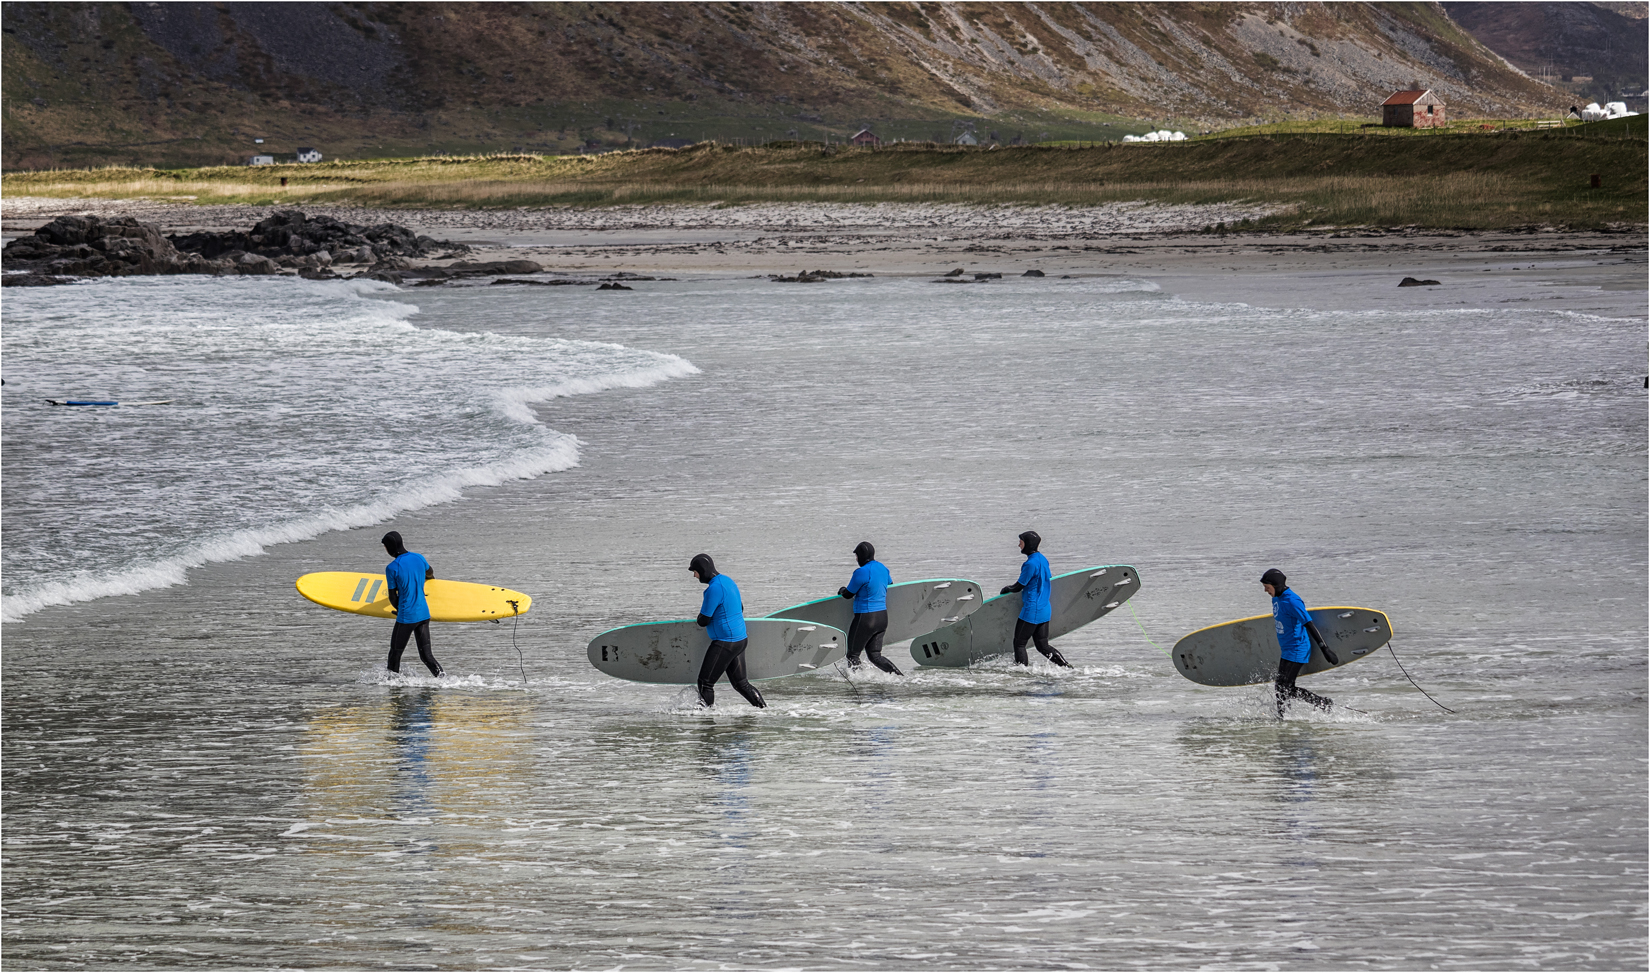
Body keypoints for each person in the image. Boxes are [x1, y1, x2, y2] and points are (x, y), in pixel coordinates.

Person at [690, 553, 765, 709]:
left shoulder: (714, 589)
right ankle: (764, 711)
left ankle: (707, 720)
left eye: (695, 572)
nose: (695, 576)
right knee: (741, 683)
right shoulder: (727, 581)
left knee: (705, 682)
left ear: (702, 570)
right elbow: (741, 607)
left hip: (726, 642)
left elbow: (703, 620)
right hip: (740, 639)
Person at [1262, 568, 1338, 718]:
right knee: (1280, 687)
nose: (1265, 590)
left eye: (1267, 587)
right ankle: (1284, 716)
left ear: (1276, 585)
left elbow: (1309, 623)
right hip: (1287, 649)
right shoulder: (1276, 598)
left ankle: (1322, 703)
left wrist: (1325, 649)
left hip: (1297, 649)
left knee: (1286, 688)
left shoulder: (1292, 601)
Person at [999, 530, 1073, 668]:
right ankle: (1067, 667)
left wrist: (1007, 589)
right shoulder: (1043, 559)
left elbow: (1018, 586)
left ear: (1028, 544)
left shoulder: (1030, 564)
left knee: (1019, 643)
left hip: (1031, 610)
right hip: (1044, 609)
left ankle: (1022, 672)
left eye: (1021, 542)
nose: (1019, 545)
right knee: (1042, 646)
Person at [382, 531, 444, 677]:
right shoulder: (419, 558)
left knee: (394, 655)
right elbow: (430, 574)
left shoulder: (392, 568)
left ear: (390, 547)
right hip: (423, 613)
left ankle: (393, 688)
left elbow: (392, 597)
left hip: (407, 617)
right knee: (426, 656)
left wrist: (399, 610)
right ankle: (443, 679)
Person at [837, 541, 902, 675]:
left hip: (866, 618)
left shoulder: (861, 572)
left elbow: (848, 594)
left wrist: (842, 590)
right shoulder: (883, 568)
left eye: (857, 556)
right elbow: (891, 584)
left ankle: (859, 682)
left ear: (862, 556)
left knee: (852, 655)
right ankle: (899, 677)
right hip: (882, 618)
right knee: (875, 656)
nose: (856, 560)